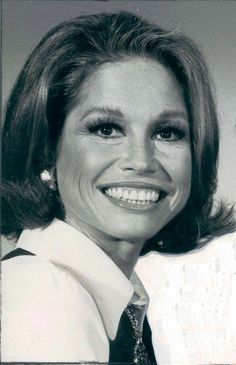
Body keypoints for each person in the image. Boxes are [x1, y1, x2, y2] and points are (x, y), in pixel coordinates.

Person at [1, 10, 235, 364]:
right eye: (106, 129)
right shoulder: (46, 296)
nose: (142, 161)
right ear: (47, 151)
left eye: (167, 132)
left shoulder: (111, 295)